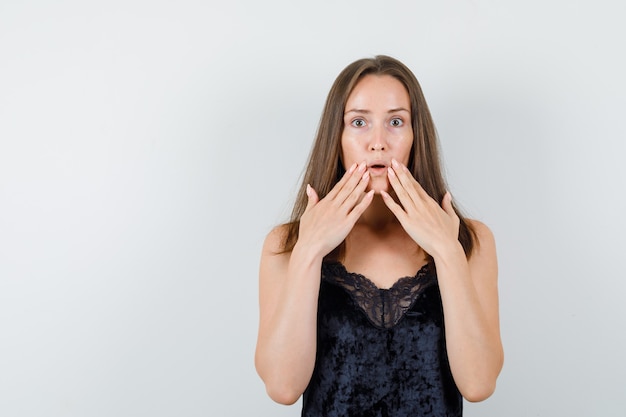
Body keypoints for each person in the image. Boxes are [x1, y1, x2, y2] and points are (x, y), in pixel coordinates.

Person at [255, 55, 503, 416]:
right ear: (335, 138)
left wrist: (447, 251)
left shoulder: (471, 241)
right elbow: (282, 387)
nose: (378, 142)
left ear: (417, 137)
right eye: (359, 122)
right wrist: (309, 250)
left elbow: (479, 384)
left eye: (396, 122)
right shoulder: (285, 245)